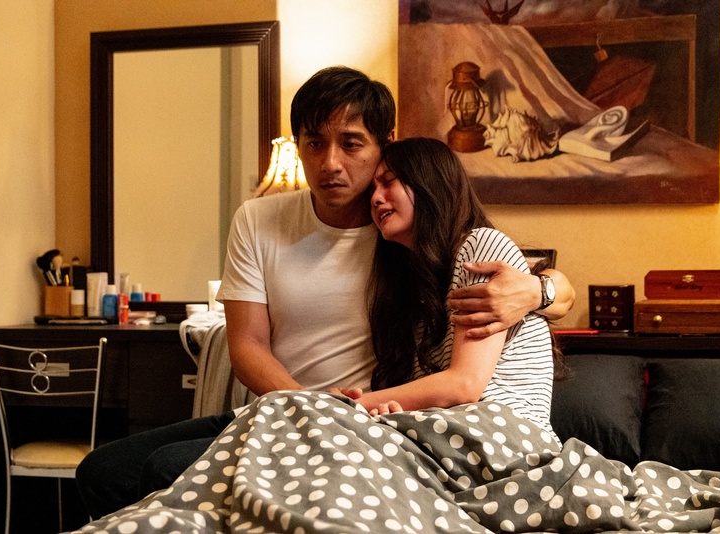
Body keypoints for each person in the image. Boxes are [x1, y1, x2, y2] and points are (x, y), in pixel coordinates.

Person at [75, 66, 574, 519]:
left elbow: (502, 294)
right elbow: (247, 345)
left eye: (352, 145)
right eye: (314, 143)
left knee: (167, 470)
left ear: (386, 144)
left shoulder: (403, 238)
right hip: (283, 409)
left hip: (365, 426)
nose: (330, 163)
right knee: (103, 471)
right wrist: (305, 407)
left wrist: (540, 288)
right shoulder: (262, 219)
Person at [334, 137, 556, 442]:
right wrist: (388, 409)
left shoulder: (481, 245)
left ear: (429, 182)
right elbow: (432, 398)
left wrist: (347, 406)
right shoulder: (415, 295)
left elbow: (465, 385)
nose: (375, 198)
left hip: (507, 437)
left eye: (388, 182)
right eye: (373, 189)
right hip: (450, 439)